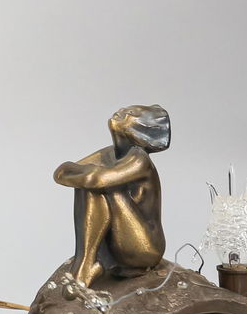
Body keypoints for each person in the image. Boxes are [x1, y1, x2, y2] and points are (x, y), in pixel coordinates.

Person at [54, 105, 170, 287]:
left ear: (141, 129)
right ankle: (88, 262)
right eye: (125, 109)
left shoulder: (139, 160)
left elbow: (94, 179)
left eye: (131, 114)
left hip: (145, 249)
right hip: (117, 245)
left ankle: (85, 265)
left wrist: (87, 174)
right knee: (90, 186)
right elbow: (60, 172)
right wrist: (89, 175)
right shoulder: (108, 154)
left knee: (101, 188)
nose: (122, 111)